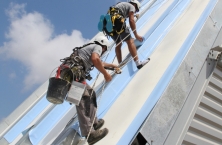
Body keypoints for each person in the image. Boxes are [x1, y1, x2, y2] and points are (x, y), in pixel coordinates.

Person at [60, 36, 119, 145]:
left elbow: (99, 62)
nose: (103, 52)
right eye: (104, 49)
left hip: (74, 73)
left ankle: (94, 123)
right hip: (73, 74)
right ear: (103, 45)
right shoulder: (98, 47)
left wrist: (112, 66)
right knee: (83, 100)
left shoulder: (90, 48)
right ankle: (89, 134)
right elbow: (95, 60)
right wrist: (105, 74)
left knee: (90, 94)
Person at [102, 0, 148, 69]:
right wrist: (136, 35)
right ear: (135, 5)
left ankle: (120, 64)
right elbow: (131, 20)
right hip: (117, 21)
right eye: (136, 10)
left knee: (118, 43)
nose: (135, 12)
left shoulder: (121, 5)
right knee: (130, 41)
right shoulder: (132, 6)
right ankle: (138, 63)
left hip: (107, 25)